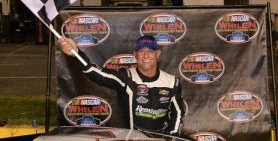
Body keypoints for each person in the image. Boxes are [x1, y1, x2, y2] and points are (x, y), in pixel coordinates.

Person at [57, 35, 185, 135]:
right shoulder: (126, 78)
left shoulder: (172, 81)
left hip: (161, 137)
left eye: (150, 51)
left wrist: (171, 136)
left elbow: (178, 112)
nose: (145, 56)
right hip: (131, 136)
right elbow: (95, 73)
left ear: (157, 54)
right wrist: (76, 53)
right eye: (141, 51)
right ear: (135, 54)